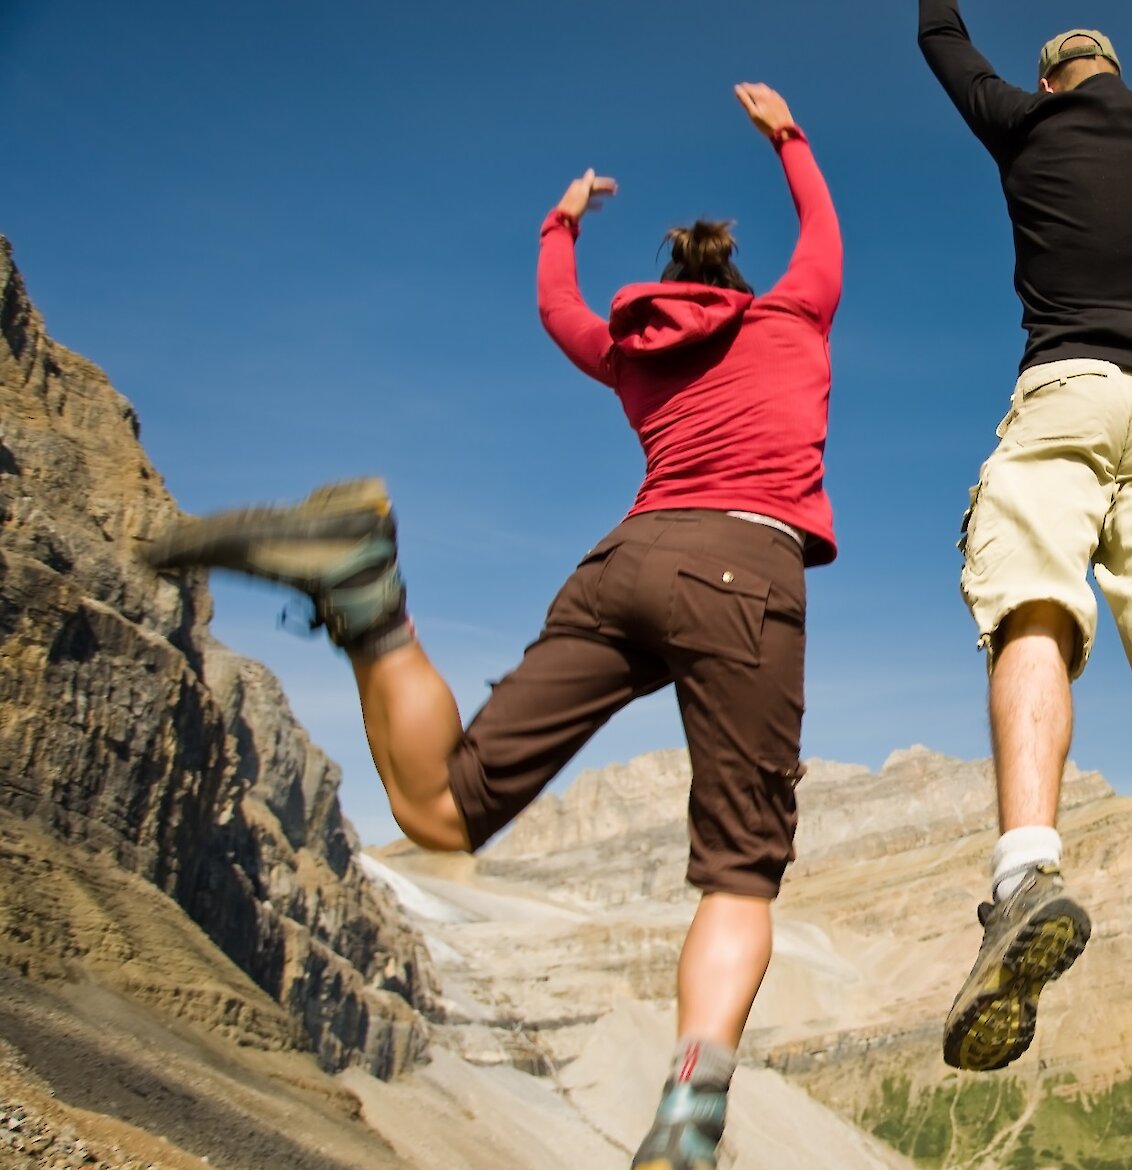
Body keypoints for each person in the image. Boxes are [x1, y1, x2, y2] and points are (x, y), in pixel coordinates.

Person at [140, 83, 841, 1170]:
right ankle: (688, 1124)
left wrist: (560, 221)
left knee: (442, 808)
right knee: (739, 872)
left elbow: (560, 309)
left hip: (622, 563)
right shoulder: (791, 318)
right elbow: (822, 233)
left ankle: (368, 598)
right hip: (745, 569)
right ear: (742, 291)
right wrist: (788, 135)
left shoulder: (631, 356)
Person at [917, 0, 1132, 1092]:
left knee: (1031, 598)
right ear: (1117, 72)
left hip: (1062, 391)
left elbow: (940, 37)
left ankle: (1027, 872)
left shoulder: (1028, 127)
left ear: (1054, 81)